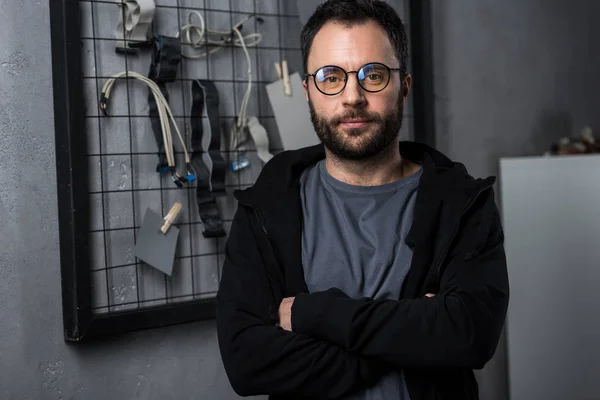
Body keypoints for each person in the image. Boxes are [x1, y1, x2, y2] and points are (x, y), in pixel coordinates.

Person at [216, 0, 509, 399]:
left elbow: (470, 335)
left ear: (404, 86)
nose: (352, 96)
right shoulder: (266, 208)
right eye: (330, 76)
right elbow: (247, 363)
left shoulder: (462, 204)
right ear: (307, 91)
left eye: (373, 74)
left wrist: (313, 315)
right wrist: (415, 336)